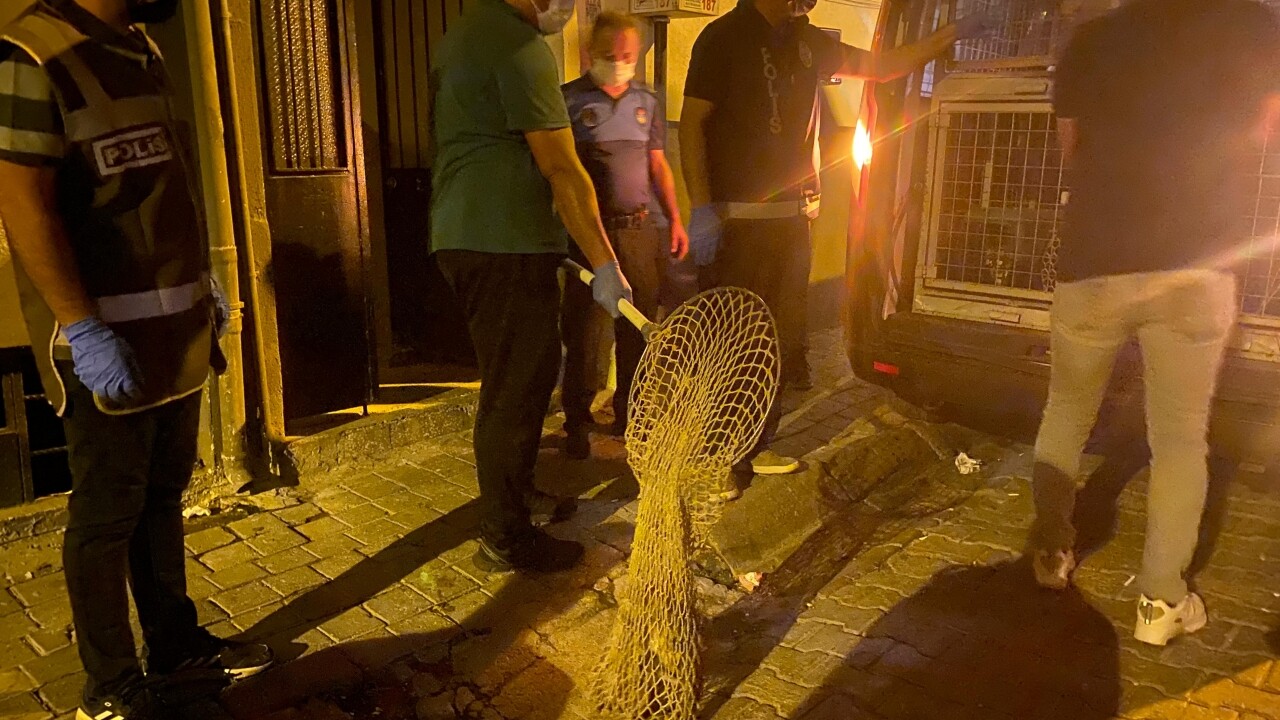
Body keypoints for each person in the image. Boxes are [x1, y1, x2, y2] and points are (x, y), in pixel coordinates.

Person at [0, 1, 274, 718]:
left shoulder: (138, 47)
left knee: (159, 499)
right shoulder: (33, 55)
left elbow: (163, 184)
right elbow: (23, 203)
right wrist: (81, 328)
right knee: (106, 516)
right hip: (106, 344)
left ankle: (175, 648)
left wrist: (202, 286)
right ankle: (110, 686)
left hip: (174, 335)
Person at [1028, 0, 1280, 646]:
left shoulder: (1091, 41)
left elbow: (1071, 151)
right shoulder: (1252, 28)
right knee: (1180, 439)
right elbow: (1265, 130)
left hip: (1094, 259)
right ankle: (1160, 603)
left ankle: (1051, 555)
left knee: (1066, 411)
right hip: (1198, 265)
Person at [680, 0, 997, 477]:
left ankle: (754, 444)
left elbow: (881, 67)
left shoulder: (805, 40)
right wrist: (702, 208)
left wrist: (950, 33)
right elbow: (691, 124)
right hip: (738, 222)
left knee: (777, 340)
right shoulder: (722, 38)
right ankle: (716, 453)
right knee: (733, 338)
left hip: (792, 221)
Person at [432, 0, 633, 572]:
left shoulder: (467, 33)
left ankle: (517, 495)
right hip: (501, 242)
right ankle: (505, 534)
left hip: (480, 235)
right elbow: (563, 167)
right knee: (515, 390)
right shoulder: (520, 48)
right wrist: (606, 263)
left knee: (523, 377)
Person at [560, 12, 688, 459]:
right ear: (589, 53)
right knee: (583, 333)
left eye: (627, 55)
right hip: (589, 236)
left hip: (639, 231)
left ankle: (632, 418)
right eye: (609, 55)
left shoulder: (646, 102)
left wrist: (675, 219)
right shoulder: (568, 101)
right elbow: (558, 170)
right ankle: (576, 423)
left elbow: (658, 164)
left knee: (636, 330)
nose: (618, 63)